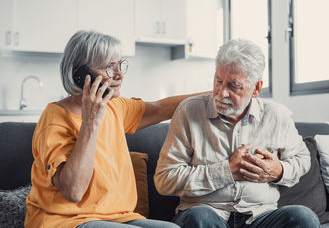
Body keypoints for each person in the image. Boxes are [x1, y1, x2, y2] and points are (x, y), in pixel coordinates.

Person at [25, 30, 204, 228]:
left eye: (120, 65)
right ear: (79, 74)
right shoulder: (55, 118)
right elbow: (74, 191)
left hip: (119, 217)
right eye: (109, 67)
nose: (119, 74)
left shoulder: (115, 107)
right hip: (65, 221)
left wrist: (218, 94)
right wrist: (90, 121)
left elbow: (162, 108)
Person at [154, 39, 320, 228]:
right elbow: (164, 179)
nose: (221, 92)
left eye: (234, 86)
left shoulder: (277, 115)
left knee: (304, 218)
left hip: (260, 215)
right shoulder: (188, 111)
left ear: (256, 88)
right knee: (199, 218)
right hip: (207, 212)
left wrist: (280, 171)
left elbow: (302, 159)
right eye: (218, 81)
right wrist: (226, 171)